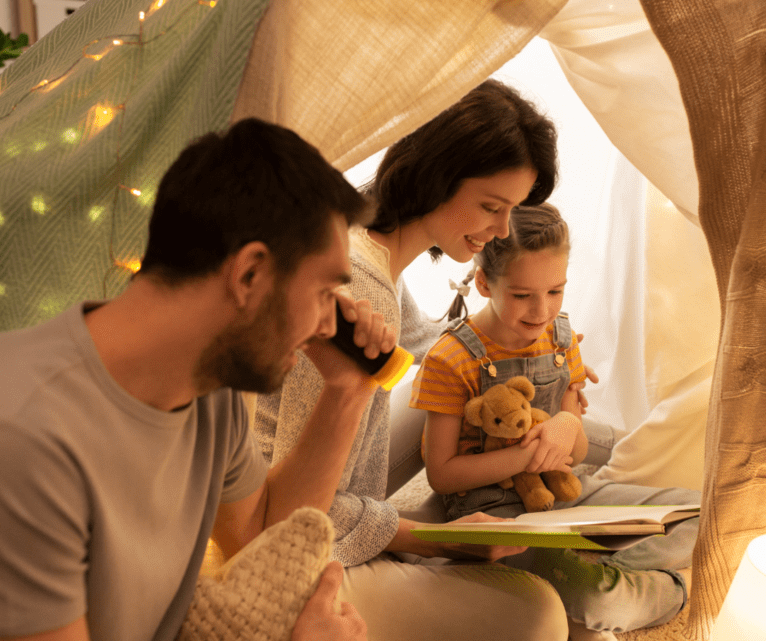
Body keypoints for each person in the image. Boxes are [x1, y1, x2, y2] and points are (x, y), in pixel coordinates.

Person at [0, 118, 387, 641]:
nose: (326, 321)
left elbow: (265, 535)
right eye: (322, 293)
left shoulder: (206, 392)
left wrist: (346, 391)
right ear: (249, 274)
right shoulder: (7, 440)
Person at [255, 79, 596, 640]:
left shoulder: (368, 246)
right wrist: (432, 537)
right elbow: (298, 514)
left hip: (321, 491)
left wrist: (533, 349)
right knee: (539, 615)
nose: (501, 230)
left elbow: (428, 339)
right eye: (491, 207)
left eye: (511, 211)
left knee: (492, 394)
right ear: (435, 175)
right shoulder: (360, 285)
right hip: (292, 549)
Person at [412, 202, 700, 634]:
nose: (541, 311)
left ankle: (606, 554)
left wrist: (568, 425)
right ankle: (669, 590)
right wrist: (529, 457)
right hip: (496, 516)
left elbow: (577, 453)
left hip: (567, 493)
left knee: (702, 514)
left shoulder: (561, 337)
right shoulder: (450, 359)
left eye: (555, 291)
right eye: (523, 295)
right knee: (598, 599)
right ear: (486, 283)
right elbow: (442, 475)